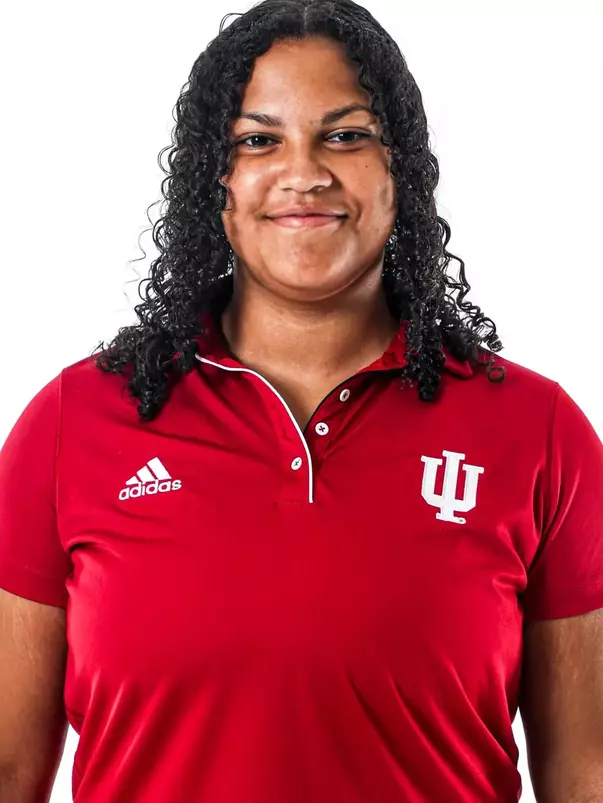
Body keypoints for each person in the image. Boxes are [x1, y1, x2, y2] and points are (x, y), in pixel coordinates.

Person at [2, 1, 603, 801]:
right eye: (258, 140)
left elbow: (585, 776)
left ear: (400, 168)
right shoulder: (73, 423)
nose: (304, 172)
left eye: (345, 135)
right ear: (212, 178)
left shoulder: (537, 431)